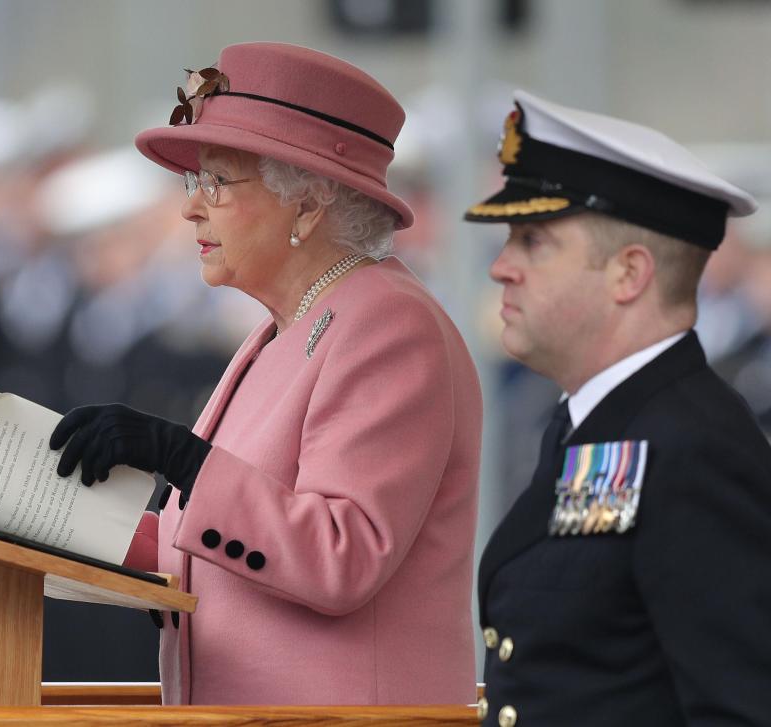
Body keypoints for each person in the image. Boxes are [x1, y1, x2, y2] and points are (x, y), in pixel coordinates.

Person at [48, 42, 482, 705]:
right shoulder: (290, 323)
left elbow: (342, 553)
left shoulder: (390, 325)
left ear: (307, 205)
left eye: (217, 181)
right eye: (195, 183)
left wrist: (184, 459)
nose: (192, 208)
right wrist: (38, 521)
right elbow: (211, 552)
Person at [465, 90, 771, 727]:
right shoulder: (597, 421)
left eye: (531, 241)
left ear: (629, 274)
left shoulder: (695, 448)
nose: (501, 268)